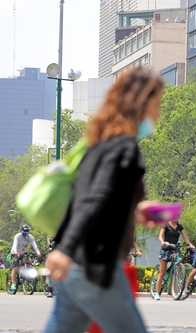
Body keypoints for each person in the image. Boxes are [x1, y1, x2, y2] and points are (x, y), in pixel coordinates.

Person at [43, 67, 165, 333]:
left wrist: (135, 209)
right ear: (141, 104)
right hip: (95, 266)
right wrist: (65, 250)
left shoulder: (98, 145)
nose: (158, 113)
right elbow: (93, 200)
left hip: (76, 268)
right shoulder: (124, 148)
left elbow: (102, 198)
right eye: (156, 104)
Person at [152, 220, 195, 300]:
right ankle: (157, 293)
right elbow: (160, 236)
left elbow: (185, 237)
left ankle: (175, 289)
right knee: (162, 272)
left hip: (174, 250)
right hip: (166, 249)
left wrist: (190, 244)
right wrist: (163, 242)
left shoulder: (179, 226)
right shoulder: (166, 225)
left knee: (178, 263)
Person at [9, 224, 41, 293]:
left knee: (29, 263)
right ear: (21, 230)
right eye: (24, 231)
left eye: (27, 231)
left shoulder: (30, 237)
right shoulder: (17, 236)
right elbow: (15, 245)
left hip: (23, 253)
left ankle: (27, 276)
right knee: (15, 268)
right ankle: (13, 285)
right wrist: (16, 253)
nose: (25, 233)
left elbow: (35, 246)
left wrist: (38, 253)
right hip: (15, 252)